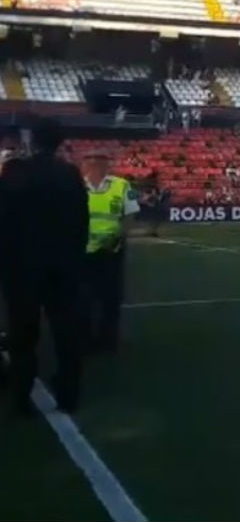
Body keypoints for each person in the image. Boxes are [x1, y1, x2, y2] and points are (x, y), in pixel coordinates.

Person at [0, 118, 89, 414]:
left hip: (22, 268)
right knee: (66, 332)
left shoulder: (15, 172)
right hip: (63, 267)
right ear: (60, 142)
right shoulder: (70, 174)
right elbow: (81, 222)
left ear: (33, 140)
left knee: (22, 334)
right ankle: (69, 396)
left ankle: (21, 397)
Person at [82, 150, 139, 355]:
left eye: (100, 159)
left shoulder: (122, 185)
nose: (95, 162)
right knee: (83, 299)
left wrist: (119, 238)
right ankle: (85, 340)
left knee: (111, 299)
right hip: (84, 253)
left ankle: (108, 340)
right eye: (91, 159)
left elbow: (130, 214)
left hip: (111, 252)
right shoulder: (76, 186)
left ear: (107, 164)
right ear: (85, 163)